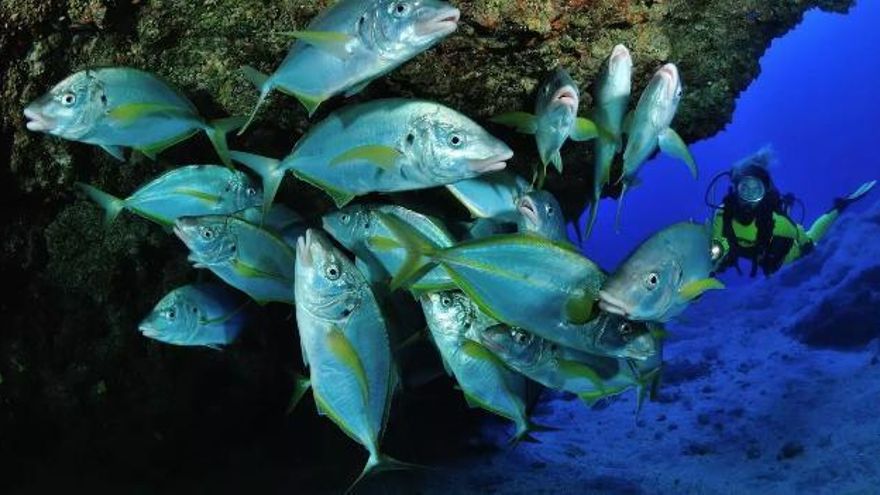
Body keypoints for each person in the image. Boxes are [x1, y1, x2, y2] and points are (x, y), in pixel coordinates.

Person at [707, 147, 875, 277]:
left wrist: (806, 245)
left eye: (756, 189)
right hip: (746, 250)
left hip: (774, 254)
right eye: (745, 188)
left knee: (808, 244)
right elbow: (718, 241)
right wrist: (710, 267)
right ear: (736, 189)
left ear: (764, 192)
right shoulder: (722, 215)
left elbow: (800, 234)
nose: (750, 195)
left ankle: (840, 205)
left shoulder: (777, 222)